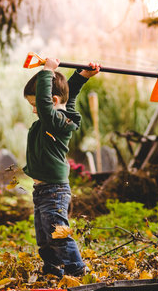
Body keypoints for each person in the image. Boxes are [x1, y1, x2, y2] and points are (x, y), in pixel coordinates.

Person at [22, 57, 99, 277]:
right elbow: (68, 96)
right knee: (44, 235)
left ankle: (77, 269)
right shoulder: (60, 114)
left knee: (57, 233)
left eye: (35, 105)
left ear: (51, 100)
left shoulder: (56, 121)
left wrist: (47, 72)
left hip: (54, 191)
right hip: (43, 190)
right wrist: (81, 76)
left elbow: (48, 107)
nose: (35, 111)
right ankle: (53, 269)